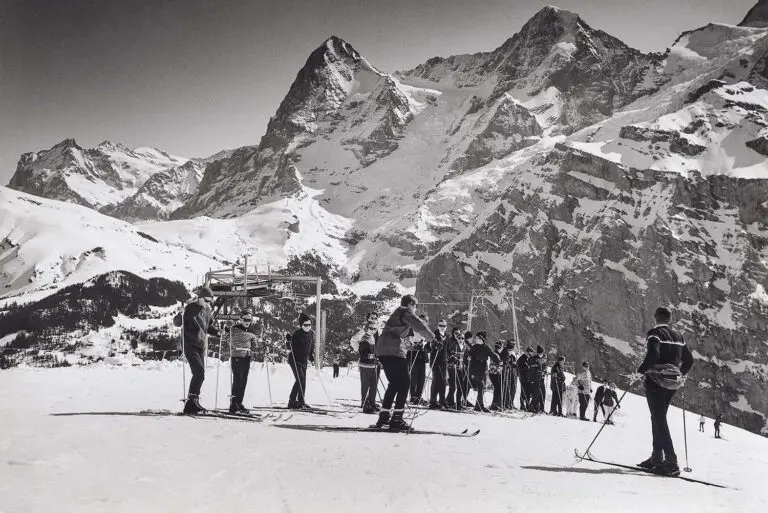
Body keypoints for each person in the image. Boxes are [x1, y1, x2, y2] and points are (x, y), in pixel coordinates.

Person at [635, 306, 694, 477]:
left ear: (656, 317)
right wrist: (678, 375)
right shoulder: (678, 336)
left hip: (655, 382)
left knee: (659, 419)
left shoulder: (655, 333)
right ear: (669, 319)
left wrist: (641, 370)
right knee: (658, 417)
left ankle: (671, 462)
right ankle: (657, 458)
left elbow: (653, 354)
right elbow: (689, 360)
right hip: (672, 384)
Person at [375, 295, 436, 431]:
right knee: (404, 384)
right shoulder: (405, 311)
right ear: (410, 304)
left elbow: (404, 337)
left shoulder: (398, 314)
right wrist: (433, 339)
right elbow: (419, 326)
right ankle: (397, 419)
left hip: (383, 349)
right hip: (393, 350)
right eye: (415, 306)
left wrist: (413, 347)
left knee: (394, 383)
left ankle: (384, 416)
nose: (415, 309)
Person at [180, 287, 220, 414]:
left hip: (201, 346)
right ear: (200, 298)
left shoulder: (207, 310)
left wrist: (217, 332)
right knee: (198, 372)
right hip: (190, 344)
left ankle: (194, 400)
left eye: (210, 301)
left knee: (201, 375)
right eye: (207, 300)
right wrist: (179, 314)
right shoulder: (190, 308)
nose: (209, 303)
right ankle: (190, 402)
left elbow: (209, 327)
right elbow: (177, 322)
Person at [227, 309, 259, 414]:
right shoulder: (235, 329)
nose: (247, 321)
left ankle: (239, 403)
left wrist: (260, 347)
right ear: (240, 319)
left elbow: (255, 345)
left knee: (243, 381)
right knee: (237, 379)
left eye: (249, 320)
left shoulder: (251, 331)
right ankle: (233, 404)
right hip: (236, 356)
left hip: (246, 357)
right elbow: (231, 333)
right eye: (245, 319)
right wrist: (228, 327)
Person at [467, 331, 500, 412]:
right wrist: (469, 357)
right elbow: (469, 355)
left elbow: (493, 355)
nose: (475, 339)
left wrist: (499, 362)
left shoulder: (487, 347)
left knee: (482, 388)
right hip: (474, 369)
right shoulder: (474, 347)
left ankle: (479, 406)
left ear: (482, 339)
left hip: (483, 370)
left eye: (477, 338)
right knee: (480, 386)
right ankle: (479, 406)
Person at [288, 312, 315, 409]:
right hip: (295, 360)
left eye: (309, 324)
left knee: (302, 381)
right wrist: (289, 341)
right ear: (301, 325)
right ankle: (292, 401)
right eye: (305, 325)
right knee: (300, 380)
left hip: (303, 360)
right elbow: (290, 347)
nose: (308, 327)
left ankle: (300, 401)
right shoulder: (297, 334)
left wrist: (311, 355)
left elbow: (311, 345)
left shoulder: (311, 333)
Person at [354, 321, 379, 413]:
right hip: (365, 365)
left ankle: (372, 402)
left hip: (373, 365)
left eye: (374, 329)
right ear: (366, 329)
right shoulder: (364, 339)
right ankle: (365, 404)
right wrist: (374, 356)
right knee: (365, 385)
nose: (372, 331)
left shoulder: (373, 338)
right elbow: (363, 354)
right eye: (371, 328)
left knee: (374, 385)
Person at [407, 314, 429, 405]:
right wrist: (415, 344)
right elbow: (408, 340)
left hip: (422, 354)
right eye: (422, 321)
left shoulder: (426, 331)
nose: (424, 323)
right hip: (413, 352)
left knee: (422, 377)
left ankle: (419, 396)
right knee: (414, 376)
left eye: (425, 321)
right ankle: (413, 396)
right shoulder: (412, 329)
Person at [428, 320, 449, 409]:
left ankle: (442, 401)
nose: (442, 327)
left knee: (443, 381)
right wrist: (435, 346)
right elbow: (428, 347)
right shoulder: (434, 335)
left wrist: (450, 356)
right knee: (436, 381)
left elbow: (448, 348)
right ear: (438, 326)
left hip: (443, 362)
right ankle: (433, 401)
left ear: (446, 326)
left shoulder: (447, 336)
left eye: (444, 325)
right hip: (435, 361)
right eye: (440, 325)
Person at [445, 328, 465, 410]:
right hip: (452, 367)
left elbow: (466, 354)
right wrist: (452, 358)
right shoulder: (453, 344)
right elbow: (448, 352)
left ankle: (458, 403)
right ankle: (449, 401)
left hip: (460, 367)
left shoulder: (464, 346)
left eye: (462, 338)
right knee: (453, 386)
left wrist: (468, 358)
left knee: (461, 386)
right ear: (457, 338)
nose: (461, 340)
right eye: (459, 338)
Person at [527, 346, 545, 413]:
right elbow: (531, 369)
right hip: (535, 378)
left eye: (542, 353)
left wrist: (544, 371)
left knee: (542, 393)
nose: (541, 355)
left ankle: (540, 408)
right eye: (540, 353)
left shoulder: (543, 358)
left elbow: (544, 366)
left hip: (541, 378)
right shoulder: (533, 359)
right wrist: (538, 370)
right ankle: (532, 407)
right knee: (536, 393)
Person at [501, 340, 517, 410]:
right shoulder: (504, 352)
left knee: (512, 389)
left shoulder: (512, 355)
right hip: (506, 373)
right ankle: (505, 403)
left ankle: (510, 403)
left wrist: (514, 365)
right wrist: (508, 364)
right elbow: (503, 362)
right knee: (506, 388)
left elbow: (514, 363)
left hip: (512, 373)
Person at [489, 341, 504, 411]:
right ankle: (495, 404)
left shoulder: (496, 354)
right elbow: (498, 363)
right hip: (494, 373)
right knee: (497, 388)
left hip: (494, 373)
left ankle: (496, 404)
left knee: (497, 388)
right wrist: (501, 364)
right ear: (500, 348)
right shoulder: (495, 354)